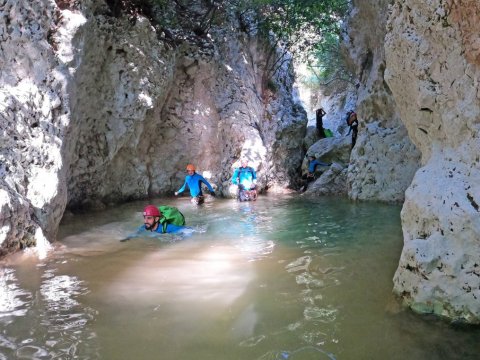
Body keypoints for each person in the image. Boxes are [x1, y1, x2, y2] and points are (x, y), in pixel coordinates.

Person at [120, 205, 187, 241]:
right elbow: (136, 233)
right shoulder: (144, 227)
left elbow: (188, 230)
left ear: (156, 219)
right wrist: (128, 238)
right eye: (145, 218)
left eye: (149, 218)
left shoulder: (167, 228)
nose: (145, 221)